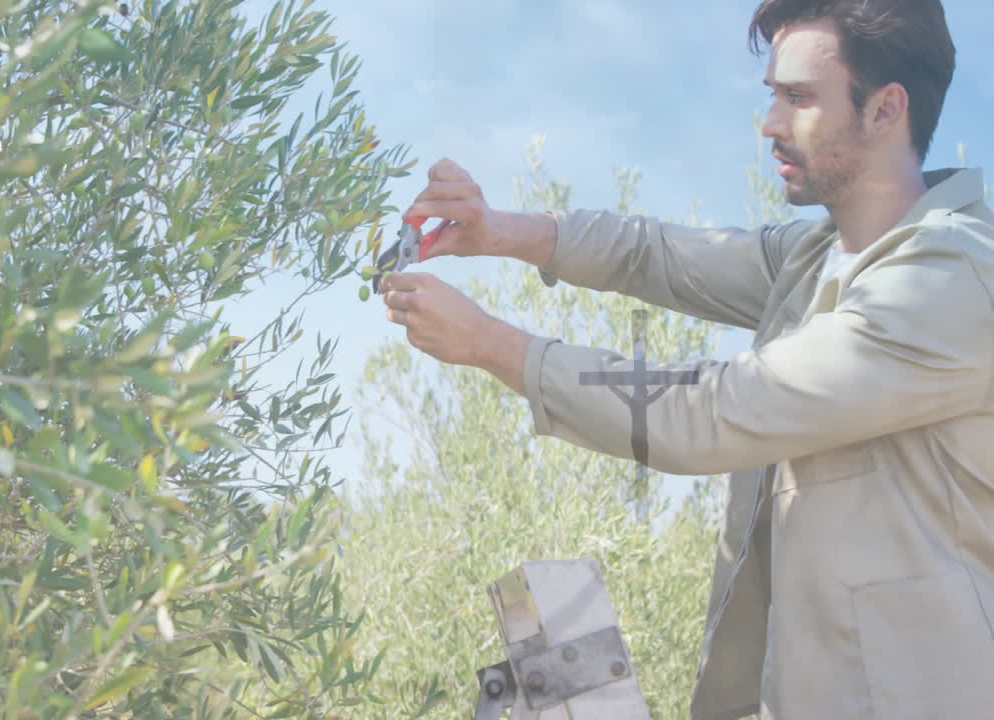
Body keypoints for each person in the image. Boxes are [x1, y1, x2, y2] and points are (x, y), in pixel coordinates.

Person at [377, 1, 994, 718]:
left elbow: (710, 414)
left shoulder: (950, 280)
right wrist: (500, 231)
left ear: (886, 110)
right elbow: (658, 254)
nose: (769, 125)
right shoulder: (812, 257)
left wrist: (492, 345)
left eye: (799, 98)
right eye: (773, 96)